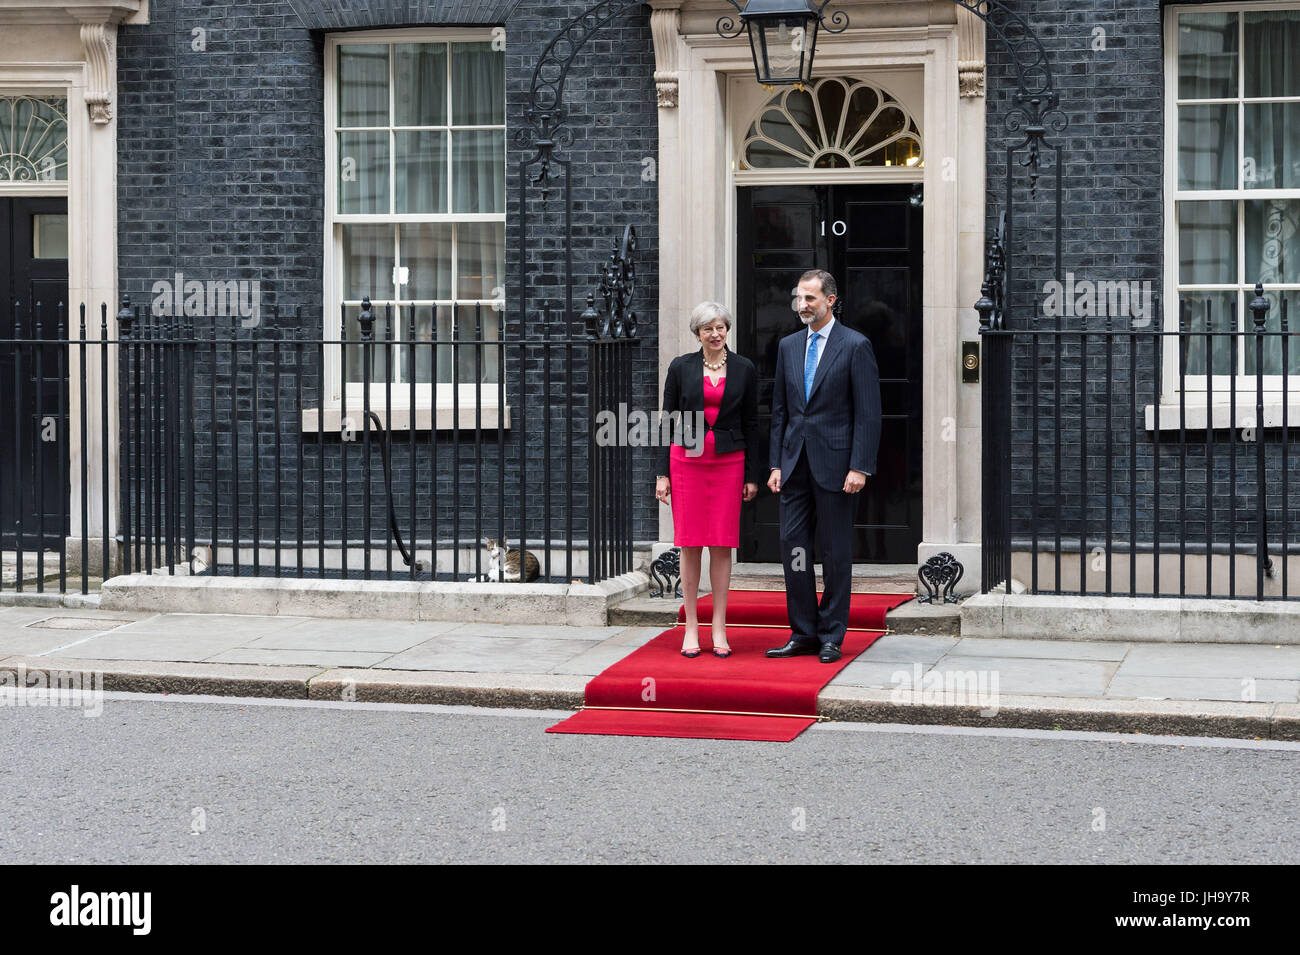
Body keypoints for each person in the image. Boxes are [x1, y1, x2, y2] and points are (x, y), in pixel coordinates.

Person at [765, 270, 881, 663]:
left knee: (834, 553)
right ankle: (803, 633)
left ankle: (832, 634)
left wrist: (860, 466)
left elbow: (868, 414)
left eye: (810, 298)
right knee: (793, 549)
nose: (802, 305)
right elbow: (780, 410)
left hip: (837, 468)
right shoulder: (787, 346)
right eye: (799, 298)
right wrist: (775, 464)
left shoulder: (855, 345)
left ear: (830, 299)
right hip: (794, 465)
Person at [655, 302, 761, 658]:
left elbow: (752, 424)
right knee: (690, 543)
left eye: (720, 328)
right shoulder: (681, 367)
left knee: (721, 542)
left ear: (726, 330)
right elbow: (667, 421)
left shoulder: (744, 369)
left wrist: (752, 476)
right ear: (697, 334)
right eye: (708, 329)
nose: (715, 335)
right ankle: (691, 626)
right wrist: (661, 474)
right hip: (686, 462)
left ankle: (719, 626)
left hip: (729, 461)